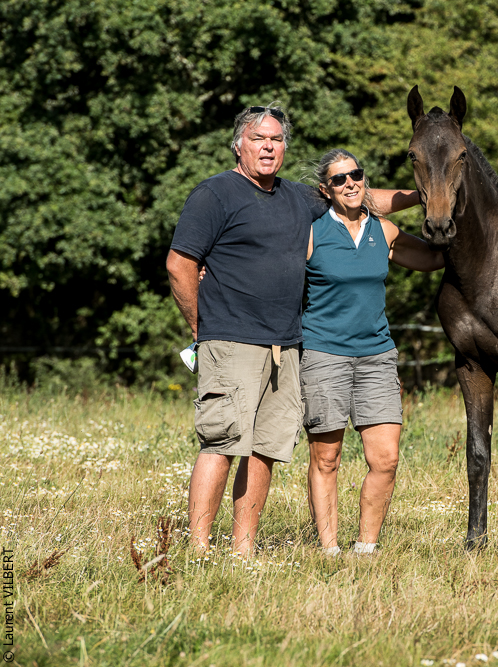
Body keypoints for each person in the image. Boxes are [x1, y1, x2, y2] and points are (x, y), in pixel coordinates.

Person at [166, 107, 418, 556]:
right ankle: (200, 550)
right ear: (239, 144)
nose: (268, 146)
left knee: (265, 449)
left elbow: (362, 197)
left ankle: (244, 549)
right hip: (230, 338)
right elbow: (180, 263)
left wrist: (428, 193)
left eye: (277, 139)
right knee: (222, 442)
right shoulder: (215, 193)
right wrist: (200, 328)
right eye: (259, 138)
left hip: (286, 344)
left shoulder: (298, 198)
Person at [301, 148, 444, 555]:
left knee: (386, 459)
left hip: (377, 356)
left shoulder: (385, 231)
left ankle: (366, 547)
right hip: (323, 354)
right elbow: (273, 276)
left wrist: (481, 208)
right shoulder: (312, 233)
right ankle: (329, 548)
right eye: (339, 179)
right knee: (326, 459)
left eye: (356, 175)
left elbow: (436, 257)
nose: (350, 183)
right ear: (326, 190)